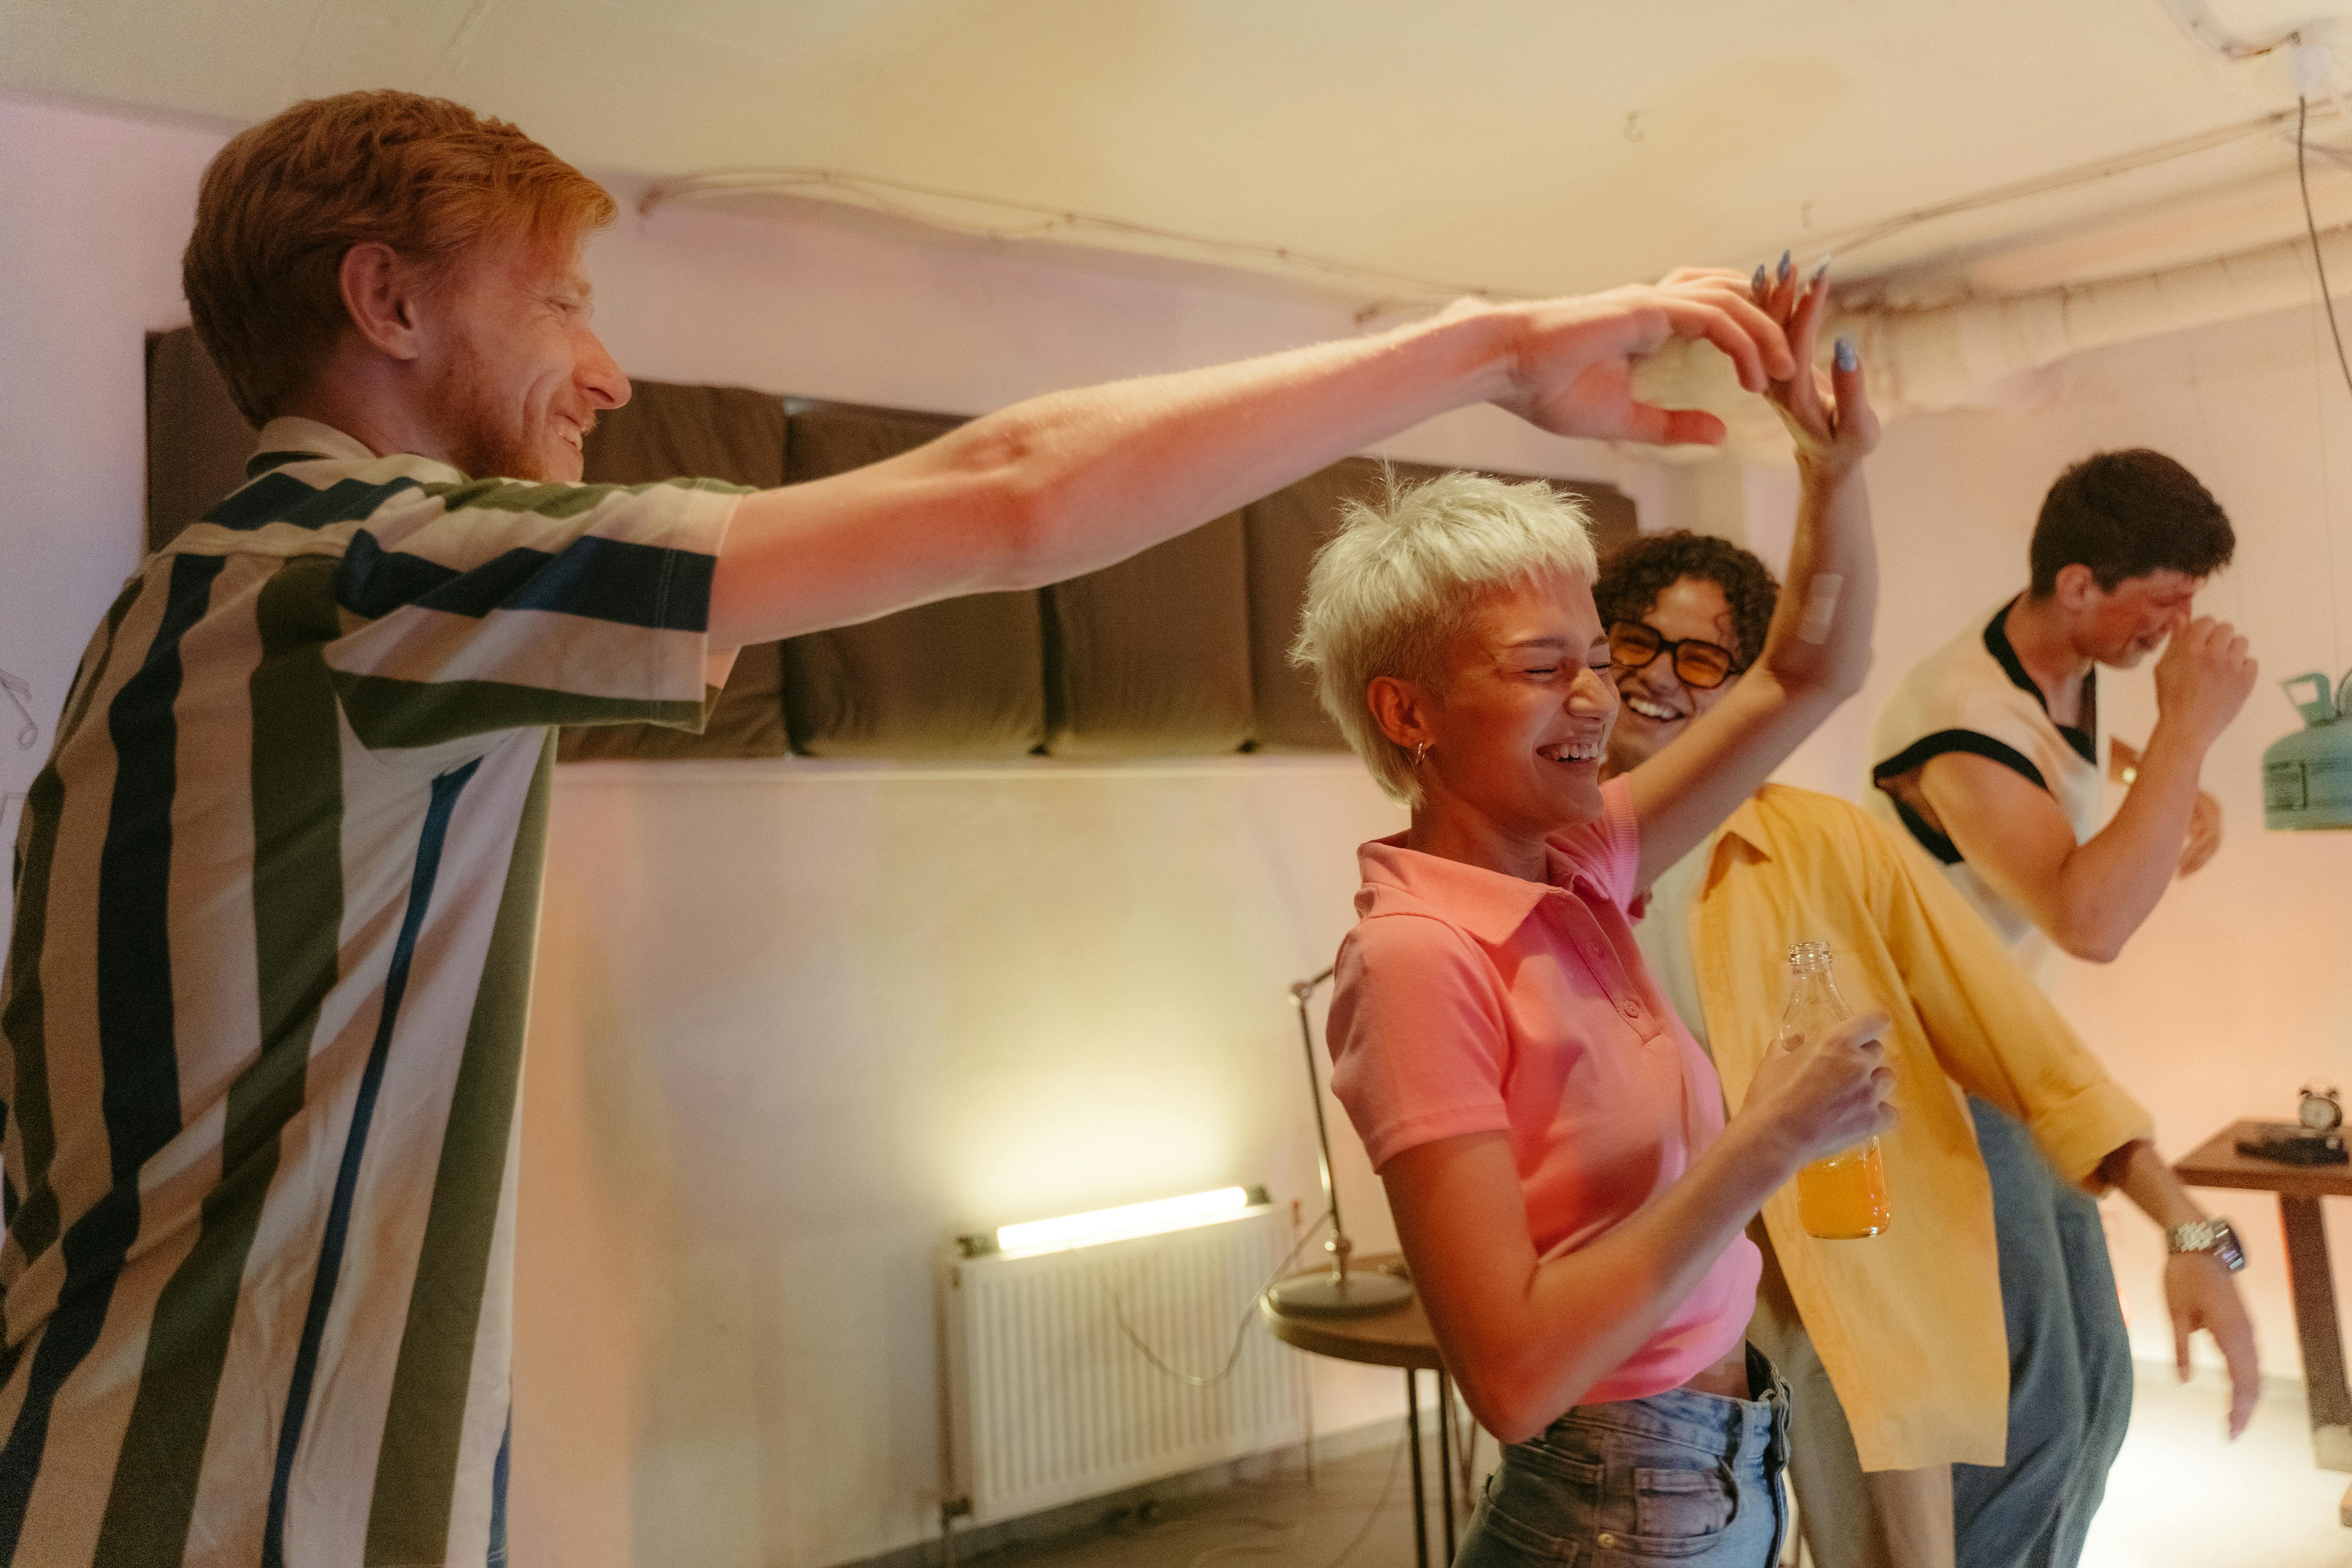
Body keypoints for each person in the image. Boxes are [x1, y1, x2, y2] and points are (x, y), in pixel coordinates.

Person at [0, 90, 1814, 1568]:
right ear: (386, 303)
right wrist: (1482, 348)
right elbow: (1010, 494)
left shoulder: (201, 598)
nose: (608, 372)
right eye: (560, 299)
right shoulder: (362, 572)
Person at [1297, 264, 1891, 1566]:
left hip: (1721, 1470)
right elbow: (1510, 1377)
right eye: (1541, 670)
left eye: (1595, 663)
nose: (1597, 702)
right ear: (1410, 715)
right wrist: (1767, 1145)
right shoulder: (1415, 960)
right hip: (1617, 1506)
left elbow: (1810, 668)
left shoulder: (1582, 869)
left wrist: (1828, 470)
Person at [1595, 530, 2259, 1568]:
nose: (1658, 680)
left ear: (1752, 686)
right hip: (1655, 1319)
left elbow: (2019, 1032)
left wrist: (2187, 1229)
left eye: (1702, 657)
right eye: (1636, 643)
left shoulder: (1823, 844)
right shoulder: (1544, 867)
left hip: (1840, 1283)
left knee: (2046, 1436)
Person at [1866, 448, 2257, 1568]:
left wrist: (2166, 783)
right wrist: (2188, 733)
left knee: (2099, 1397)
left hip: (2007, 1062)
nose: (2177, 628)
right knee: (2029, 1419)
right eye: (2166, 601)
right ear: (2082, 585)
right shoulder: (1960, 717)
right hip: (1927, 1081)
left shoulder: (2060, 670)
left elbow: (2075, 778)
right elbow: (2089, 919)